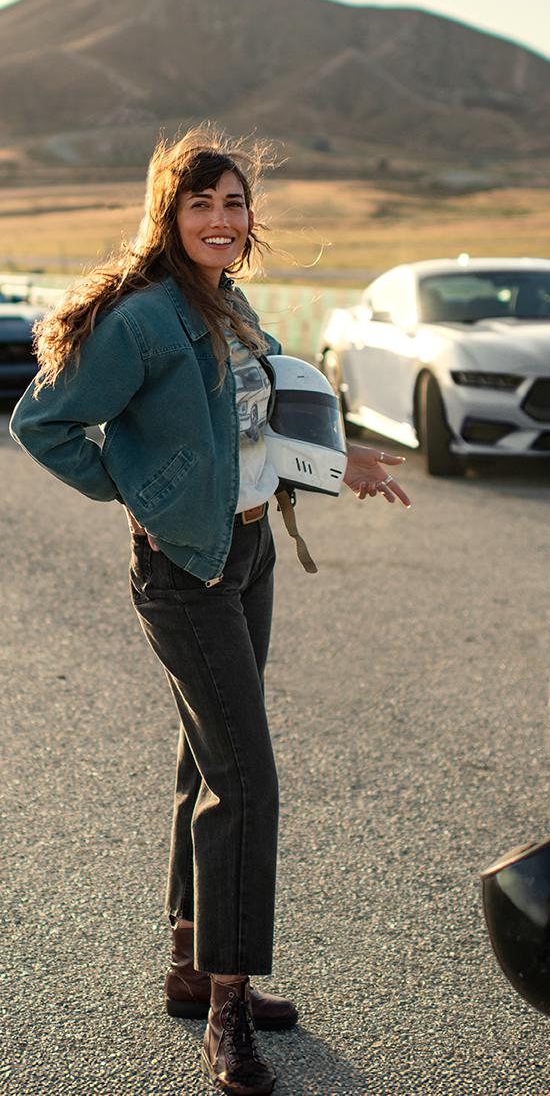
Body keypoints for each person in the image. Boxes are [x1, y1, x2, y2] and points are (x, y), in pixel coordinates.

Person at [10, 128, 410, 1096]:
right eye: (202, 205)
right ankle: (228, 1008)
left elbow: (265, 422)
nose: (222, 220)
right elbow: (41, 419)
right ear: (169, 215)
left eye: (233, 203)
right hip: (183, 566)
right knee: (247, 773)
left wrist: (340, 461)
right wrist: (139, 487)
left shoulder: (230, 308)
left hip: (247, 551)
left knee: (207, 758)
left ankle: (193, 960)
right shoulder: (146, 320)